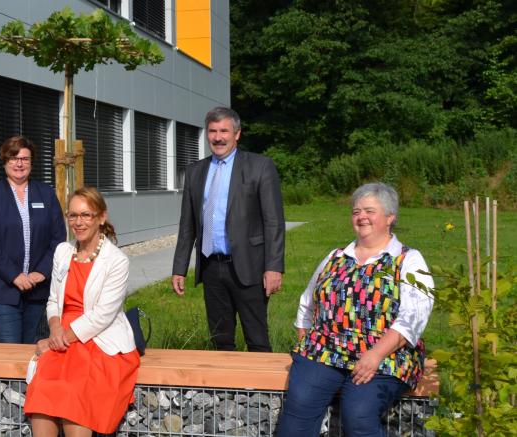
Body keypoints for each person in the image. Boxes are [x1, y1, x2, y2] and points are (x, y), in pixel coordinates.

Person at [276, 182, 434, 436]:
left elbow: (413, 317)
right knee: (299, 409)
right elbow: (307, 302)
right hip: (326, 350)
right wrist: (308, 346)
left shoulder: (409, 260)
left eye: (369, 211)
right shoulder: (336, 256)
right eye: (356, 211)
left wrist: (375, 355)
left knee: (358, 412)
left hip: (387, 354)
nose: (361, 217)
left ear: (390, 217)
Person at [24, 187, 140, 436]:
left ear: (101, 217)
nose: (78, 222)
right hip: (62, 334)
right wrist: (55, 330)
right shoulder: (63, 252)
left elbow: (102, 316)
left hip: (98, 338)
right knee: (43, 387)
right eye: (73, 215)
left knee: (76, 390)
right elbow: (54, 299)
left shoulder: (116, 260)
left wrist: (59, 340)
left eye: (86, 215)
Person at [170, 106, 286, 352]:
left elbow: (273, 221)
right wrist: (179, 267)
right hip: (211, 266)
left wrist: (274, 266)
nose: (218, 137)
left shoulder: (260, 166)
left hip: (249, 266)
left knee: (256, 337)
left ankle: (261, 388)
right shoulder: (195, 172)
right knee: (220, 338)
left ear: (237, 134)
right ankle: (226, 390)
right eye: (212, 131)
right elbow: (187, 224)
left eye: (224, 130)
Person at [0, 136, 66, 344]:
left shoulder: (46, 194)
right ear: (5, 161)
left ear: (32, 162)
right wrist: (14, 275)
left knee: (33, 345)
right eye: (13, 158)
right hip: (0, 287)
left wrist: (42, 271)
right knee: (10, 345)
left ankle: (31, 378)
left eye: (25, 158)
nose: (19, 163)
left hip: (38, 288)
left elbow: (59, 239)